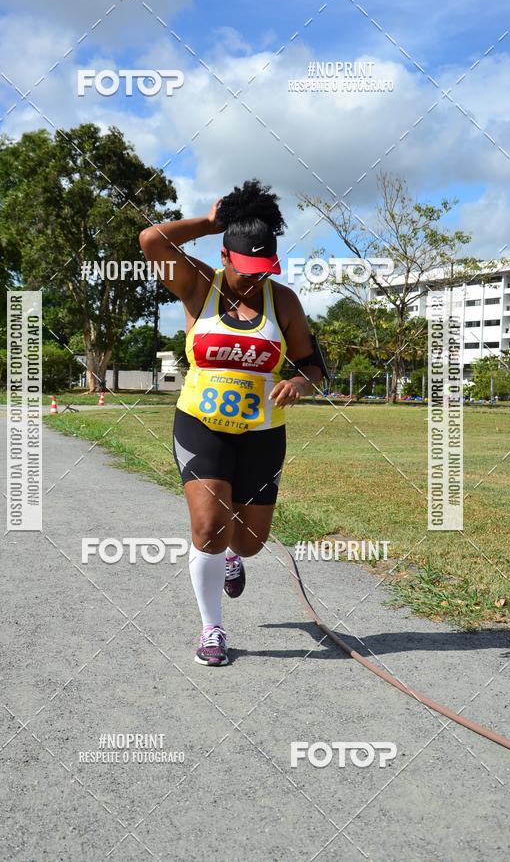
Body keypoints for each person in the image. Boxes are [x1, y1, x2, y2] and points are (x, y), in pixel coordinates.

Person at [139, 179, 325, 666]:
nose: (253, 281)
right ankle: (212, 629)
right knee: (207, 527)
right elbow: (151, 241)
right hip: (200, 423)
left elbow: (311, 363)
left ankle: (232, 557)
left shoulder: (282, 301)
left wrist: (301, 384)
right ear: (224, 256)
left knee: (249, 541)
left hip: (263, 433)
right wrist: (211, 220)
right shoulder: (199, 285)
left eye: (263, 271)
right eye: (245, 271)